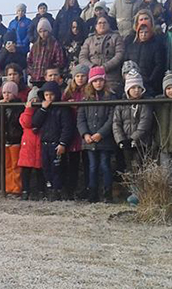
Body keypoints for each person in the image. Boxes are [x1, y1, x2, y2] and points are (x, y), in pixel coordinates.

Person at [113, 70, 154, 205]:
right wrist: (121, 140)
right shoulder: (121, 103)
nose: (136, 90)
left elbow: (145, 123)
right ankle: (132, 192)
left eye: (138, 87)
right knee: (128, 168)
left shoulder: (145, 104)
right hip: (125, 143)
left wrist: (133, 139)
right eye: (133, 88)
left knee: (140, 167)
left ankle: (140, 193)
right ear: (127, 89)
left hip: (141, 142)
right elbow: (116, 123)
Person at [77, 66, 116, 203]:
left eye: (100, 80)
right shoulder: (86, 99)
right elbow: (80, 119)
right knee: (92, 166)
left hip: (105, 139)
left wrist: (101, 133)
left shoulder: (111, 97)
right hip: (89, 140)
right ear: (91, 83)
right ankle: (92, 194)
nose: (98, 83)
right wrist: (85, 134)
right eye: (95, 81)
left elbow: (112, 119)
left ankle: (107, 194)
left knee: (105, 165)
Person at [32, 81, 72, 200]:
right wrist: (43, 109)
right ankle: (49, 189)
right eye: (46, 95)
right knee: (46, 168)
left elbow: (67, 127)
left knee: (57, 168)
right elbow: (35, 122)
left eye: (51, 95)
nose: (49, 97)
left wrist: (63, 143)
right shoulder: (42, 109)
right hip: (44, 143)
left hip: (57, 144)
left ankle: (58, 190)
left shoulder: (63, 109)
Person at [80, 16, 126, 94]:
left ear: (109, 25)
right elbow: (82, 57)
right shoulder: (89, 40)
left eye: (105, 23)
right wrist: (92, 67)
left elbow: (119, 55)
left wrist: (105, 67)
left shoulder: (116, 37)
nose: (102, 25)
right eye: (99, 23)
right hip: (92, 76)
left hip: (111, 77)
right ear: (95, 26)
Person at [63, 64, 89, 199]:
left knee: (87, 163)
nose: (80, 78)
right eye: (77, 76)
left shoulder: (90, 91)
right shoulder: (68, 92)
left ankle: (87, 189)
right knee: (72, 163)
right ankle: (70, 190)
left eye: (82, 76)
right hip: (72, 131)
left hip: (85, 131)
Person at [18, 87, 45, 200]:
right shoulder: (25, 114)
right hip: (27, 146)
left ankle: (41, 191)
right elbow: (26, 123)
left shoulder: (43, 112)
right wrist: (28, 110)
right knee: (25, 171)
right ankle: (25, 190)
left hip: (39, 143)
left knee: (40, 170)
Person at [125, 23, 166, 96]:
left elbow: (159, 65)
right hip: (133, 81)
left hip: (150, 83)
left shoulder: (156, 46)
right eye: (141, 32)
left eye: (146, 32)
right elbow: (126, 63)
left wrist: (150, 80)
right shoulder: (131, 46)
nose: (143, 34)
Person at [1, 80, 25, 196]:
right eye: (4, 92)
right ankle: (8, 187)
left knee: (16, 165)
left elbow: (16, 121)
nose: (6, 95)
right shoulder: (2, 106)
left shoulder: (18, 106)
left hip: (16, 139)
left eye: (9, 92)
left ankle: (17, 188)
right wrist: (1, 107)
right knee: (8, 165)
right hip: (6, 139)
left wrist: (9, 108)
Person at [28, 19, 66, 87]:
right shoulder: (35, 46)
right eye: (40, 31)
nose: (43, 33)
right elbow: (29, 61)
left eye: (45, 31)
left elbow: (60, 62)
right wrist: (32, 72)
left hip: (48, 79)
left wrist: (50, 72)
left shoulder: (55, 44)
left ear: (49, 31)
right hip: (35, 79)